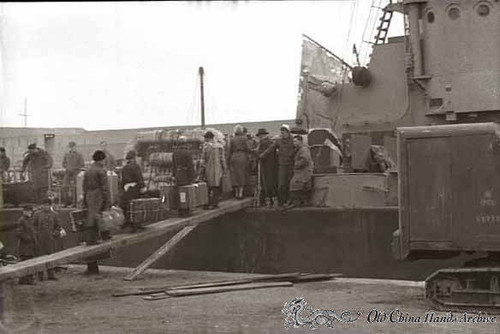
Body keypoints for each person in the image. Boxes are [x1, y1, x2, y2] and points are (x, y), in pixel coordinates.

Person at [82, 150, 109, 274]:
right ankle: (105, 235)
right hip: (98, 197)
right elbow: (105, 189)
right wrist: (107, 203)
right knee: (100, 221)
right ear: (102, 159)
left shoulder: (87, 171)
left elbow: (84, 187)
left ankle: (91, 266)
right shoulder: (101, 171)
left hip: (89, 196)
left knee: (90, 225)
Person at [259, 124, 294, 207]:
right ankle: (281, 201)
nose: (283, 134)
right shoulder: (279, 141)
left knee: (290, 184)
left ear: (288, 133)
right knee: (281, 184)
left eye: (284, 132)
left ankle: (289, 201)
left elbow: (297, 149)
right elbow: (271, 148)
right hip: (282, 165)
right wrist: (262, 155)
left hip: (291, 165)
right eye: (282, 133)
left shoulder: (292, 141)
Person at [33, 199, 62, 280]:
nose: (45, 206)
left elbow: (58, 226)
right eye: (44, 205)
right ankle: (40, 275)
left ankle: (51, 275)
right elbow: (33, 225)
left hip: (50, 239)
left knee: (51, 256)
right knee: (40, 257)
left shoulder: (54, 214)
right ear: (42, 205)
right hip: (40, 239)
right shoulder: (37, 214)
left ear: (50, 205)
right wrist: (36, 234)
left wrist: (54, 234)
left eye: (47, 205)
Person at [199, 131, 227, 209]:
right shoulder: (220, 147)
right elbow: (222, 159)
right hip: (218, 169)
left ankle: (207, 203)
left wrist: (200, 171)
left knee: (208, 187)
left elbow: (203, 160)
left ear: (207, 138)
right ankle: (215, 203)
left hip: (209, 169)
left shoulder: (206, 147)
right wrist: (224, 169)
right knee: (216, 187)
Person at [286, 135, 314, 208]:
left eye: (295, 141)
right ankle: (299, 201)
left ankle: (296, 202)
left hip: (303, 171)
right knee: (295, 184)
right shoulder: (299, 149)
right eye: (293, 141)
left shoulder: (304, 149)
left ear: (300, 141)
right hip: (301, 171)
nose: (294, 143)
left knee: (294, 184)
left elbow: (305, 160)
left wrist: (296, 164)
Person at [120, 150, 145, 230]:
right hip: (134, 188)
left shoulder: (124, 168)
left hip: (126, 188)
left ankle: (128, 222)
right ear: (134, 158)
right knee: (136, 205)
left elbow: (122, 180)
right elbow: (139, 177)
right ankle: (136, 223)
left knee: (128, 206)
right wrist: (142, 186)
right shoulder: (135, 166)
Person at [172, 136, 195, 216]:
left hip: (178, 174)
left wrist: (174, 175)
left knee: (179, 192)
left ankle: (180, 210)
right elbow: (190, 166)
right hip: (185, 174)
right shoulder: (187, 153)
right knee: (185, 193)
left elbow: (173, 166)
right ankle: (186, 209)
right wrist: (192, 177)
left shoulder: (175, 153)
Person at [256, 128, 278, 207]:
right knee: (272, 182)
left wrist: (257, 155)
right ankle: (274, 199)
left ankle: (268, 200)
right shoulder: (271, 142)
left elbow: (260, 155)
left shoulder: (263, 143)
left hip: (265, 165)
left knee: (266, 183)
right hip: (273, 165)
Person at [228, 125, 251, 199]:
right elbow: (248, 148)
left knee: (234, 175)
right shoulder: (244, 138)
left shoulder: (232, 139)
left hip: (233, 156)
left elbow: (229, 150)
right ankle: (240, 193)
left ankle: (236, 193)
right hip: (242, 156)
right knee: (241, 174)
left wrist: (227, 159)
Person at [16, 205, 36, 285]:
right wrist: (28, 238)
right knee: (25, 261)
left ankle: (26, 280)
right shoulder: (21, 220)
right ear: (24, 211)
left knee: (30, 261)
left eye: (30, 211)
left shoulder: (30, 219)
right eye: (27, 211)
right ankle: (25, 280)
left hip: (30, 245)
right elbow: (19, 233)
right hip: (24, 245)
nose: (29, 212)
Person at [62, 142, 85, 207]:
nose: (72, 148)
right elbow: (63, 163)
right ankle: (66, 202)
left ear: (75, 147)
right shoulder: (66, 155)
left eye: (73, 147)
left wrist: (75, 168)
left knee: (75, 188)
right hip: (68, 173)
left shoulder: (79, 155)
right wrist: (67, 167)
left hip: (76, 173)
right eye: (70, 147)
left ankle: (75, 203)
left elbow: (82, 164)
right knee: (65, 187)